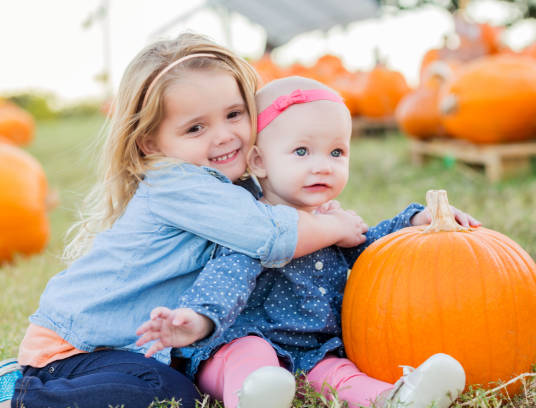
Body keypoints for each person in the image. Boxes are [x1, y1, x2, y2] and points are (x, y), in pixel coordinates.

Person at [0, 35, 370, 408]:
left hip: (125, 349)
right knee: (163, 392)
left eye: (233, 114)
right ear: (151, 144)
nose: (224, 136)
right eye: (196, 128)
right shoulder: (178, 184)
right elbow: (271, 236)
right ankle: (21, 395)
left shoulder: (232, 184)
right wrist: (335, 228)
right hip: (72, 348)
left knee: (174, 386)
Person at [136, 76, 481, 408]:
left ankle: (396, 398)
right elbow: (227, 277)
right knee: (252, 357)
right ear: (259, 161)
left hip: (313, 351)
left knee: (341, 375)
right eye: (302, 151)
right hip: (239, 343)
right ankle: (251, 398)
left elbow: (371, 246)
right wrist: (198, 319)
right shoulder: (255, 225)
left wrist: (415, 220)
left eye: (336, 153)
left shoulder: (331, 222)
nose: (323, 167)